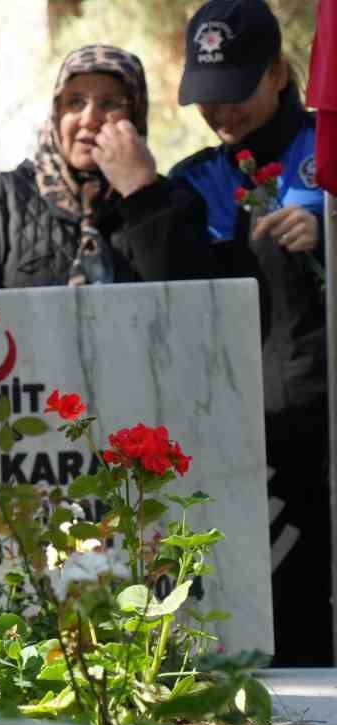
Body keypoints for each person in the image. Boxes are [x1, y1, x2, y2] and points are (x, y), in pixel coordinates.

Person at [170, 0, 333, 667]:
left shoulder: (328, 151)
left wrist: (332, 235)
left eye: (236, 91)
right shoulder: (194, 182)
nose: (221, 112)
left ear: (279, 72)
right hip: (255, 449)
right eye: (208, 96)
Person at [0, 45, 215, 290]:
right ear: (56, 113)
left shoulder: (175, 201)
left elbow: (192, 308)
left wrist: (142, 196)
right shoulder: (0, 201)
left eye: (109, 103)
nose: (89, 118)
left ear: (136, 116)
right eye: (75, 102)